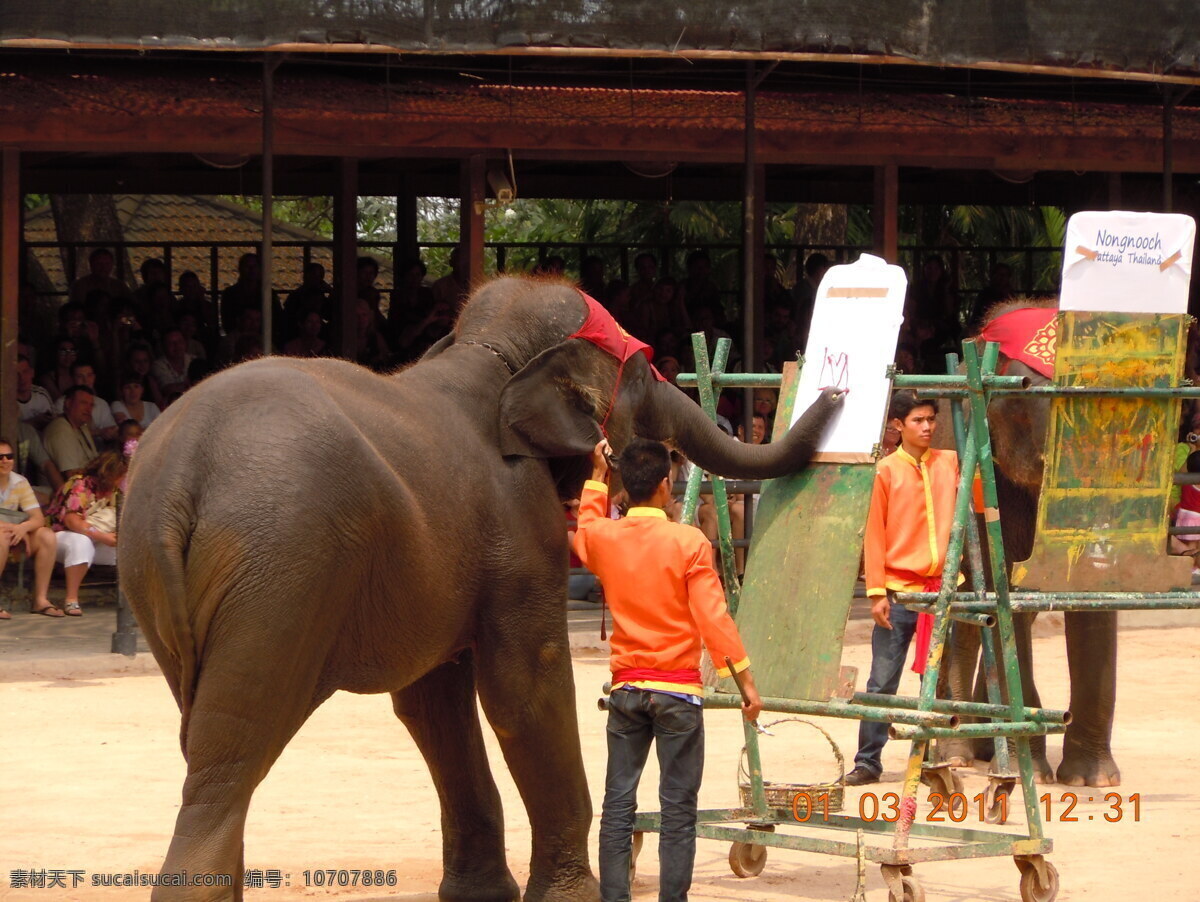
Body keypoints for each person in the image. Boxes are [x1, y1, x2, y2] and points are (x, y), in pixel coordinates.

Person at [573, 437, 762, 902]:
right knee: (678, 809)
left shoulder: (604, 539)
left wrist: (597, 476)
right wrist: (746, 682)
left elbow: (585, 527)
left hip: (626, 689)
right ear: (665, 484)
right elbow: (713, 619)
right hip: (677, 692)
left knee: (618, 805)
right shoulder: (689, 542)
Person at [845, 391, 959, 786]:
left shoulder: (950, 463)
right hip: (898, 590)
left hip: (941, 591)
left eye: (930, 419)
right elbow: (873, 534)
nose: (927, 427)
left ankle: (929, 758)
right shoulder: (885, 471)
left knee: (937, 679)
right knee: (882, 679)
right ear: (898, 425)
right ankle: (868, 761)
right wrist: (876, 592)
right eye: (918, 420)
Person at [45, 450, 126, 617]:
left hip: (94, 536)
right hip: (60, 535)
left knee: (131, 549)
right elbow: (72, 521)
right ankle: (71, 598)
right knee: (81, 542)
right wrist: (103, 537)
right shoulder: (81, 484)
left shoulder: (115, 490)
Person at [0, 436, 62, 618]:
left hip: (10, 533)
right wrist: (14, 528)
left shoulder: (19, 482)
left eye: (9, 456)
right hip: (4, 534)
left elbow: (37, 518)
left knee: (47, 536)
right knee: (1, 537)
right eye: (0, 457)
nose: (5, 461)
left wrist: (24, 528)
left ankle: (40, 600)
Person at [53, 361, 119, 446]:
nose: (86, 380)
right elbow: (65, 433)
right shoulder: (62, 403)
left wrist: (112, 433)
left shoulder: (101, 403)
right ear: (71, 379)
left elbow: (112, 429)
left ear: (94, 377)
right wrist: (98, 432)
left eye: (89, 375)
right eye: (80, 376)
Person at [42, 385, 99, 480]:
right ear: (68, 403)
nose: (88, 409)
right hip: (65, 490)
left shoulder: (82, 427)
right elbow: (72, 476)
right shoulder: (60, 429)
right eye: (83, 403)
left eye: (91, 405)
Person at [16, 353, 55, 430]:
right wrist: (32, 422)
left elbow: (54, 421)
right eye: (16, 374)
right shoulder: (5, 401)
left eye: (25, 371)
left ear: (32, 373)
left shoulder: (41, 394)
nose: (22, 378)